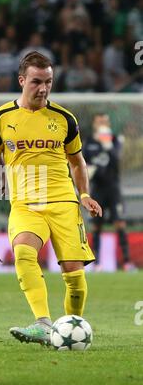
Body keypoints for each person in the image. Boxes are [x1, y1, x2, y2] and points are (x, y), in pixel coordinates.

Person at [0, 52, 102, 345]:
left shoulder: (64, 119)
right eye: (36, 81)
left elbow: (77, 161)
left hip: (63, 203)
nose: (43, 88)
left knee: (74, 276)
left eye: (48, 82)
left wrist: (83, 193)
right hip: (25, 205)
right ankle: (44, 324)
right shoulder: (1, 118)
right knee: (23, 253)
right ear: (22, 80)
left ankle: (71, 330)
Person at [83, 113, 135, 271]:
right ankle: (97, 263)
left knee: (119, 223)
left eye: (105, 121)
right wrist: (89, 171)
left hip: (113, 188)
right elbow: (83, 162)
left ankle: (126, 262)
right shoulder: (89, 142)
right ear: (94, 124)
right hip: (97, 189)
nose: (103, 124)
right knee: (96, 226)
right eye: (100, 121)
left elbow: (117, 159)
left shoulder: (115, 140)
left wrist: (108, 147)